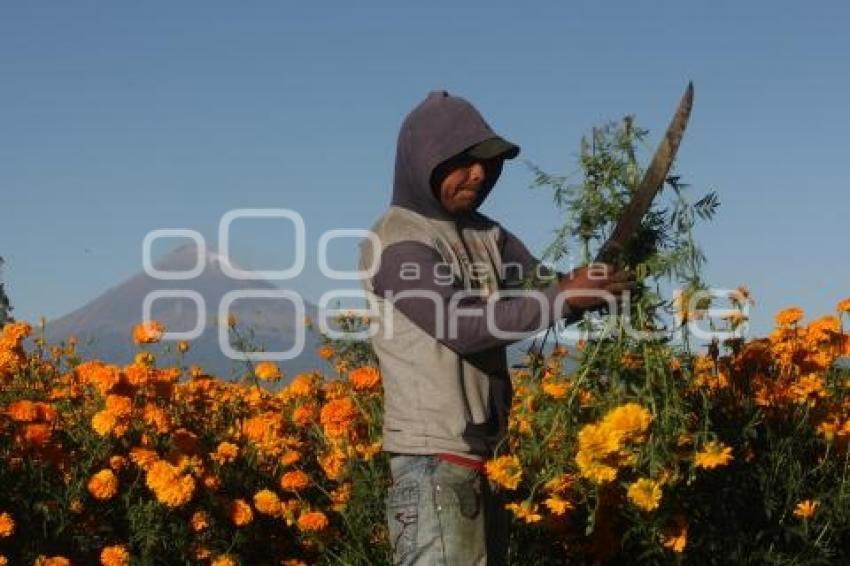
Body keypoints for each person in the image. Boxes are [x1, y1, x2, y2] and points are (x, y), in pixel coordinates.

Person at [358, 90, 634, 565]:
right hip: (432, 465)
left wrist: (601, 280)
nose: (480, 174)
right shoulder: (401, 239)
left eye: (487, 163)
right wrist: (565, 294)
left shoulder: (490, 235)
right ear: (424, 161)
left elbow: (543, 288)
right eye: (464, 161)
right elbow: (461, 324)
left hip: (486, 463)